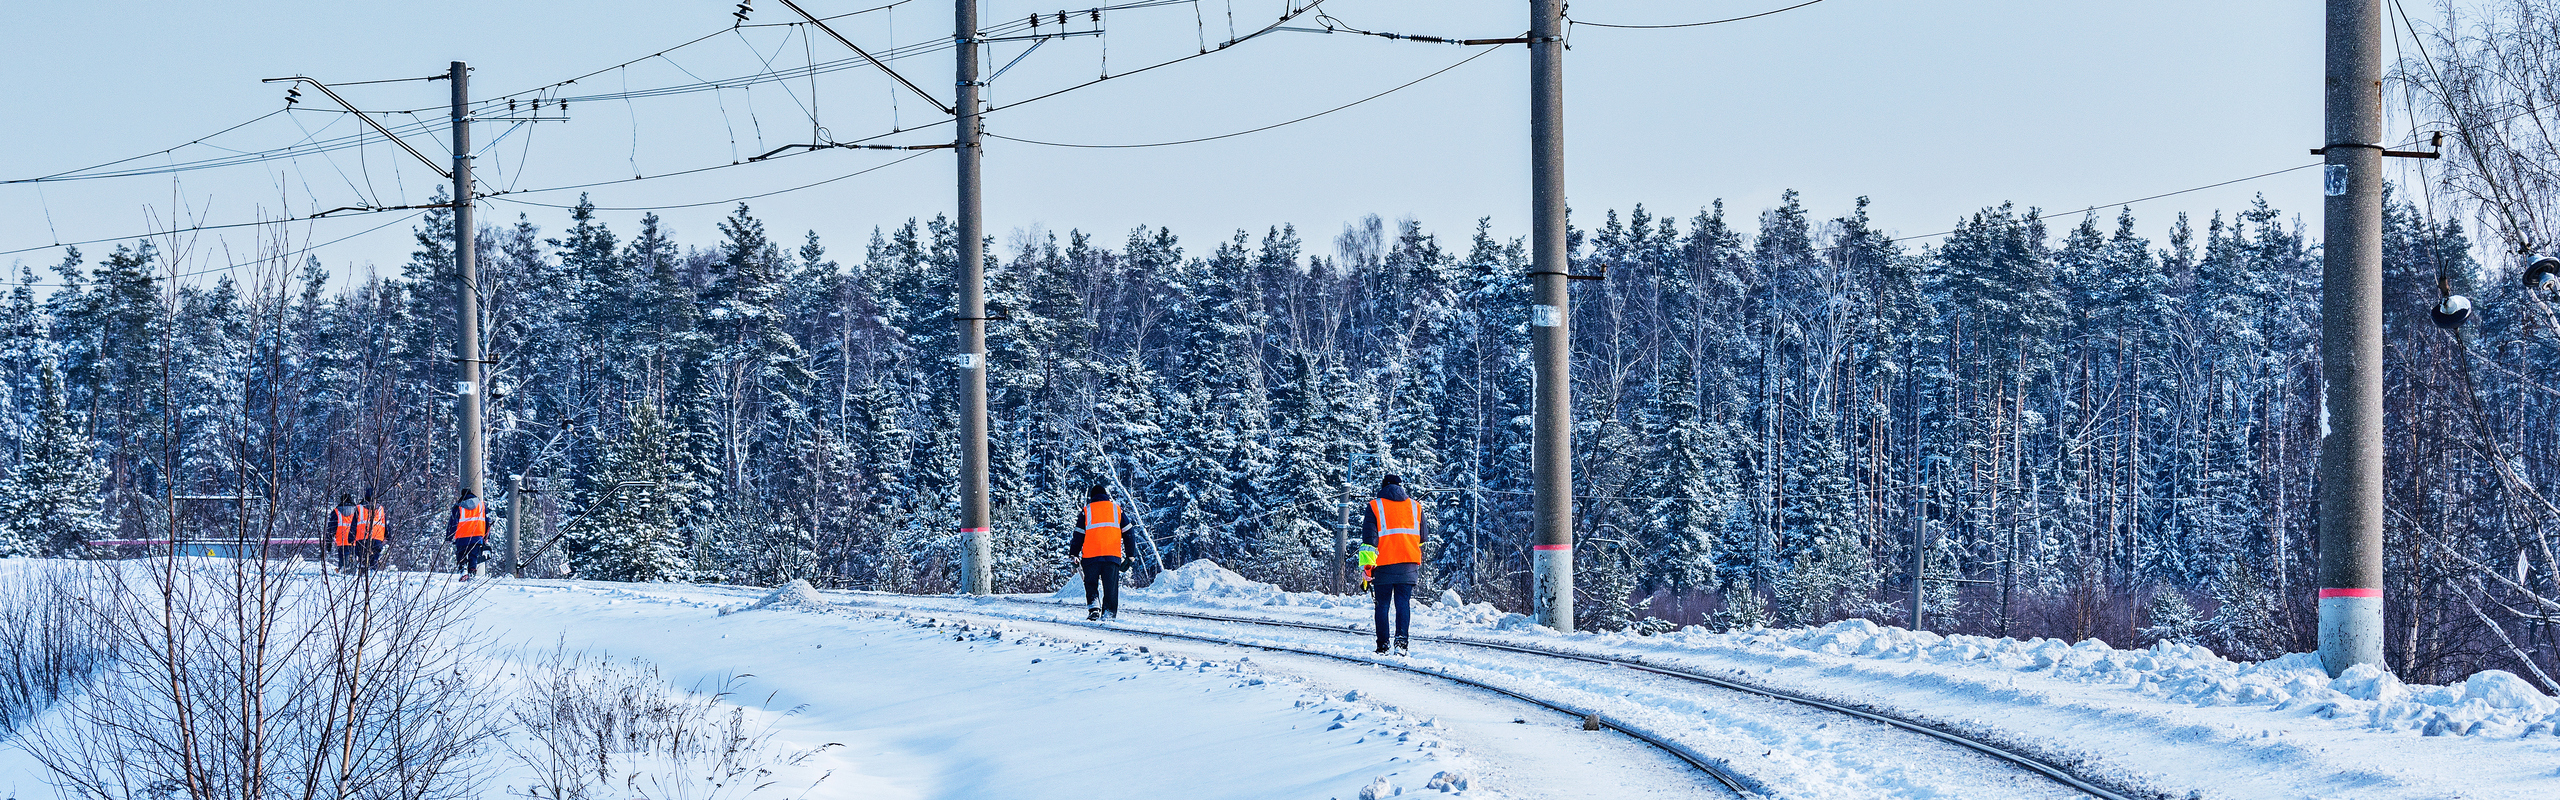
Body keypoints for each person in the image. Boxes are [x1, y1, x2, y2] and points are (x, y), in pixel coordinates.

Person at [1361, 475, 1425, 655]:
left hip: (1383, 564)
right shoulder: (1415, 507)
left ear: (1383, 487)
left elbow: (1369, 541)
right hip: (1409, 564)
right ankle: (1402, 643)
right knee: (1403, 603)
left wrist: (1367, 568)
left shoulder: (1375, 506)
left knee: (1382, 605)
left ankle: (1383, 645)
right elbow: (1423, 537)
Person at [1068, 485, 1129, 621]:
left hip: (1091, 556)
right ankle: (1109, 613)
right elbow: (1129, 532)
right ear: (1106, 495)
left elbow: (1078, 535)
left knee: (1090, 583)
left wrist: (1074, 554)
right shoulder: (1117, 510)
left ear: (1092, 497)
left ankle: (1094, 608)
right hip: (1112, 556)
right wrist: (1130, 556)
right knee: (1110, 586)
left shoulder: (1086, 511)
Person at [449, 491, 488, 580]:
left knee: (461, 555)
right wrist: (486, 536)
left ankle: (463, 571)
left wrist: (449, 536)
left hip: (461, 537)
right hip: (477, 536)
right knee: (473, 556)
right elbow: (487, 521)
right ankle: (472, 573)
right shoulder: (481, 506)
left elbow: (453, 523)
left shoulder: (458, 507)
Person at [357, 491, 388, 571]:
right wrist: (388, 536)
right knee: (374, 560)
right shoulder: (381, 509)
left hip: (362, 538)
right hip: (377, 538)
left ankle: (363, 577)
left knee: (363, 559)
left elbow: (353, 524)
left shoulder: (359, 508)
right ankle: (373, 575)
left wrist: (351, 537)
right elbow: (386, 524)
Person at [330, 494, 361, 573]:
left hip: (341, 540)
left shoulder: (336, 511)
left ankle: (342, 570)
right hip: (354, 539)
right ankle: (352, 572)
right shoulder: (357, 510)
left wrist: (328, 541)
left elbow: (331, 528)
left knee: (343, 559)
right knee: (353, 559)